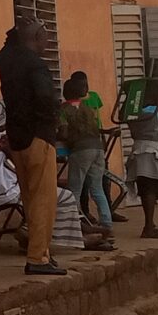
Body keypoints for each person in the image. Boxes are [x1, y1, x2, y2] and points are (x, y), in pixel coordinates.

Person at [0, 13, 66, 276]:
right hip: (39, 136)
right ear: (37, 37)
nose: (47, 42)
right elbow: (45, 98)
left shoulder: (5, 59)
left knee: (29, 197)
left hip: (16, 137)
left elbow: (6, 47)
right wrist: (55, 122)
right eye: (45, 36)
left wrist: (16, 31)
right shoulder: (35, 65)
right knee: (43, 200)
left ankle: (41, 252)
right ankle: (38, 257)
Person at [60, 72, 113, 252]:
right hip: (98, 148)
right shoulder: (87, 108)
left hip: (80, 150)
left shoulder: (63, 109)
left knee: (74, 190)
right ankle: (107, 224)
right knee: (97, 188)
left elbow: (64, 133)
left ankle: (76, 226)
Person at [126, 76, 158, 239]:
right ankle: (149, 226)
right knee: (151, 190)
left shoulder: (132, 112)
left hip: (138, 150)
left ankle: (149, 225)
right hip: (150, 152)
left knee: (145, 188)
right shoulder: (154, 110)